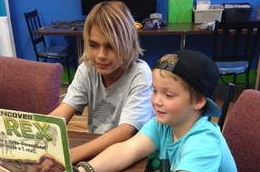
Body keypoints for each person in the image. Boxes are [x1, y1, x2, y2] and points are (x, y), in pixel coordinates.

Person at [74, 49, 237, 172]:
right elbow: (126, 150)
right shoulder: (164, 124)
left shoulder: (204, 142)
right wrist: (84, 170)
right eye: (154, 91)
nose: (156, 101)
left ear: (198, 101)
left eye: (168, 95)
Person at [50, 1, 154, 164]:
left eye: (110, 47)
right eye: (93, 45)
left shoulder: (140, 74)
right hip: (96, 151)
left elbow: (126, 131)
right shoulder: (87, 69)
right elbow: (62, 112)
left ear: (128, 43)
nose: (100, 55)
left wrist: (73, 154)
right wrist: (39, 136)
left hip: (131, 156)